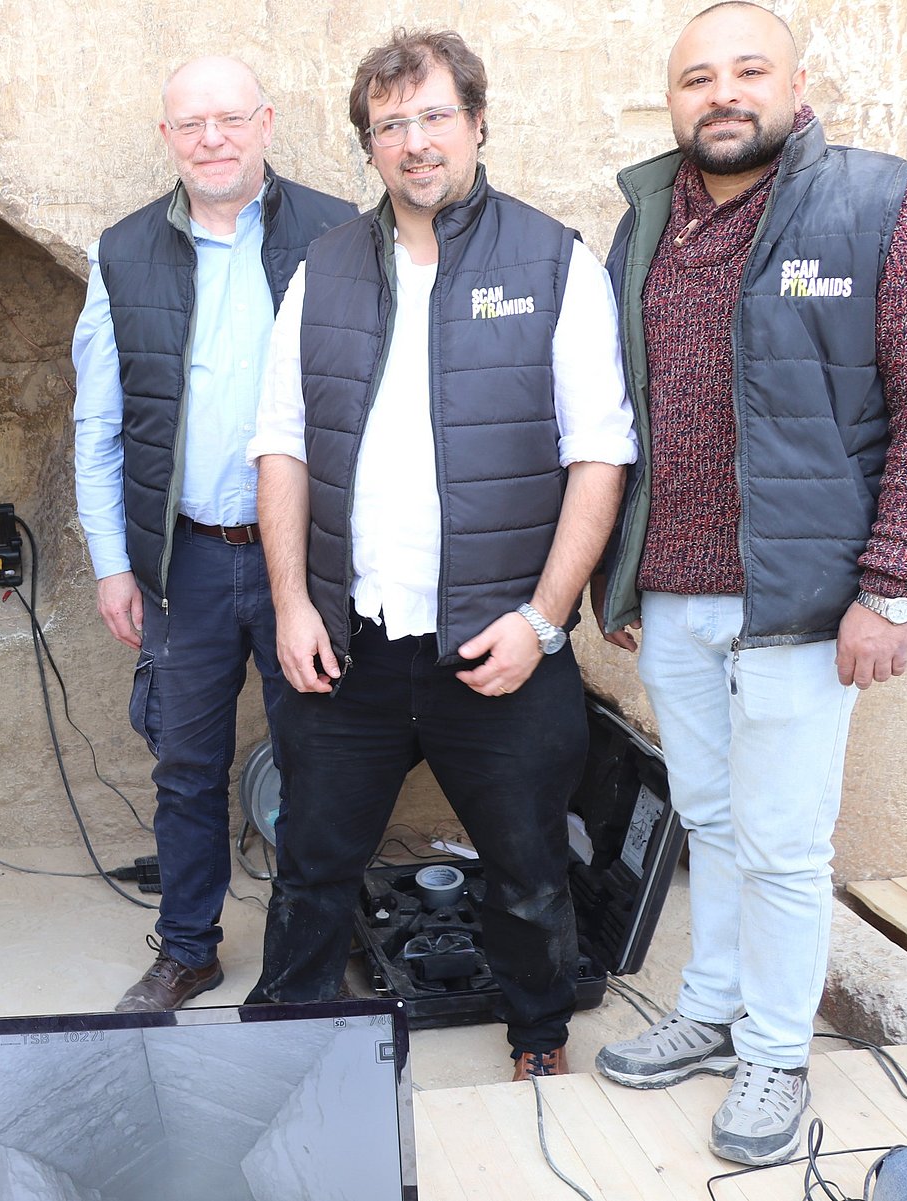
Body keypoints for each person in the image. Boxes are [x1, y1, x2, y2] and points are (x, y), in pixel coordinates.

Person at [245, 29, 637, 1080]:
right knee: (314, 864)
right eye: (390, 125)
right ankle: (286, 1046)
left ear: (476, 122)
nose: (415, 141)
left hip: (499, 643)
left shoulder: (552, 261)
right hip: (351, 642)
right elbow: (280, 444)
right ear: (369, 145)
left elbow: (600, 455)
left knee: (527, 869)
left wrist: (542, 621)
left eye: (434, 116)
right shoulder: (324, 269)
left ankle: (539, 1038)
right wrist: (293, 604)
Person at [592, 1, 907, 1167]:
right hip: (676, 597)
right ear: (672, 100)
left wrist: (891, 589)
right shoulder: (645, 223)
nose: (723, 94)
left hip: (800, 601)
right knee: (710, 820)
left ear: (797, 86)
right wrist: (623, 578)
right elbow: (625, 415)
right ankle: (714, 1007)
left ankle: (777, 1052)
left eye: (749, 70)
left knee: (786, 844)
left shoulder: (878, 203)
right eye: (697, 78)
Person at [72, 55, 353, 1012]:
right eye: (191, 124)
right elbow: (98, 425)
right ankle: (189, 947)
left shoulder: (339, 235)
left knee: (320, 761)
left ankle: (310, 956)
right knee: (185, 766)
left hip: (303, 561)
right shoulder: (122, 254)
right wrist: (112, 563)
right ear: (167, 139)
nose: (213, 140)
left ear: (267, 123)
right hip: (183, 560)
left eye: (231, 119)